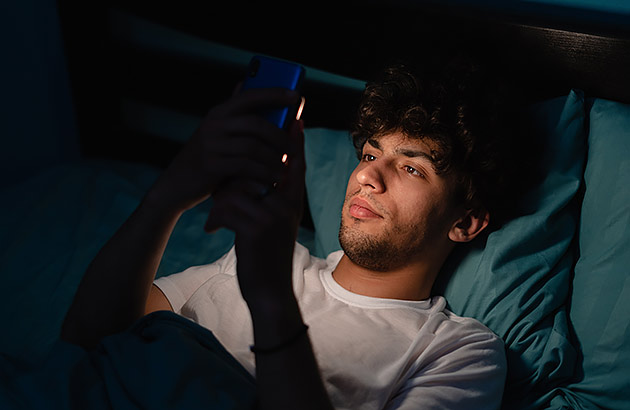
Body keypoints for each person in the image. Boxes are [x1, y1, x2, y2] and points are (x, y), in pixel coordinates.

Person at [62, 56, 528, 409]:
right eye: (369, 155)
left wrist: (271, 299)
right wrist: (168, 197)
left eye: (410, 167)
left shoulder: (459, 351)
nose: (369, 177)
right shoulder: (256, 258)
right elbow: (87, 343)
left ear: (464, 222)